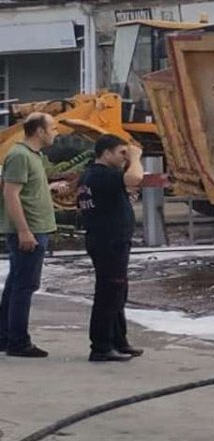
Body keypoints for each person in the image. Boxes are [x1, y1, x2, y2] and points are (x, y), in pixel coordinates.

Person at [0, 113, 68, 358]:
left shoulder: (33, 156)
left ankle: (6, 337)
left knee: (16, 284)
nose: (56, 132)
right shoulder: (19, 155)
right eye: (52, 128)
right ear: (39, 131)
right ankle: (18, 341)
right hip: (30, 230)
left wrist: (48, 188)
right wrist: (23, 230)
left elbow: (24, 190)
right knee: (25, 285)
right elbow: (11, 194)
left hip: (35, 227)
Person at [77, 134, 145, 362]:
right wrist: (135, 157)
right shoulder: (99, 175)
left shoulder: (96, 176)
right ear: (106, 153)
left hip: (111, 240)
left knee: (118, 292)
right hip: (108, 242)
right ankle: (101, 346)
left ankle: (118, 340)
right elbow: (135, 177)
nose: (124, 157)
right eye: (121, 153)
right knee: (108, 293)